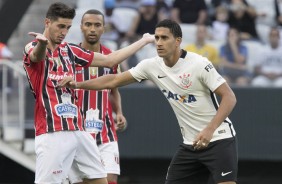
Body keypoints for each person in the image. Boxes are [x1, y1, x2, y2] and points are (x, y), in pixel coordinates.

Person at [58, 19, 238, 184]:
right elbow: (113, 80)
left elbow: (230, 97)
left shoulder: (199, 64)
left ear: (178, 41)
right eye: (157, 38)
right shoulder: (151, 65)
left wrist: (209, 129)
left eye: (164, 38)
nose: (158, 42)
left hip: (219, 139)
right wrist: (78, 84)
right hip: (190, 144)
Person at [22, 2, 154, 184]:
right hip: (53, 132)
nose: (64, 32)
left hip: (79, 131)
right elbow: (37, 56)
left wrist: (144, 41)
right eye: (60, 26)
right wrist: (43, 44)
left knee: (101, 180)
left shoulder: (70, 51)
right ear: (47, 22)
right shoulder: (33, 46)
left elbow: (110, 60)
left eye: (67, 28)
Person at [68, 9, 127, 184]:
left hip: (105, 130)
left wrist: (120, 113)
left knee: (109, 179)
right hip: (77, 131)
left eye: (97, 25)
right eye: (88, 24)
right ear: (81, 27)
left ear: (103, 28)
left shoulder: (112, 57)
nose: (92, 29)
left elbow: (114, 88)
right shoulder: (70, 56)